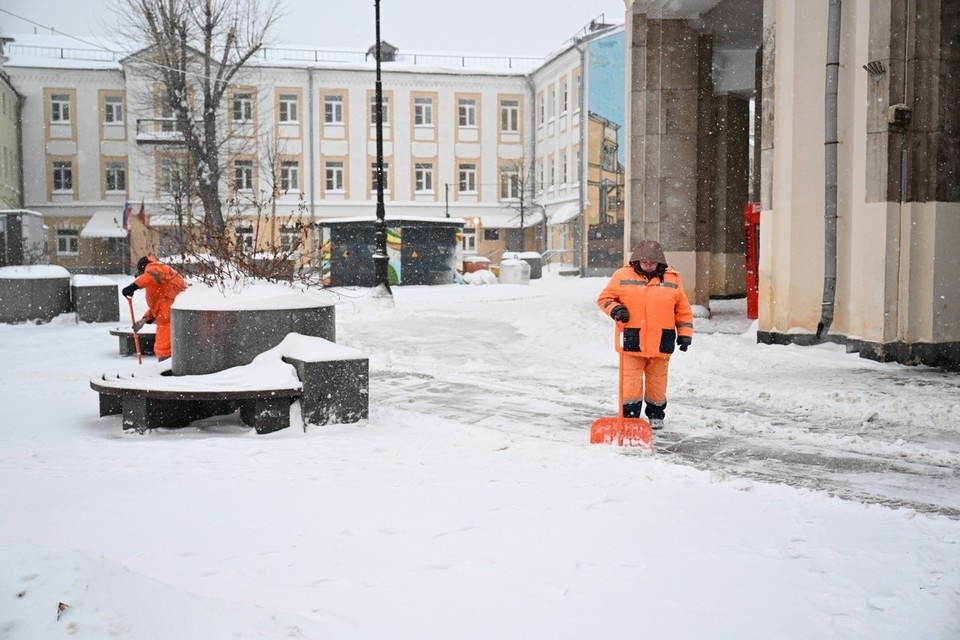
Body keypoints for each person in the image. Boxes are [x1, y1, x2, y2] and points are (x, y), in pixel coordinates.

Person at [596, 240, 694, 430]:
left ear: (660, 262)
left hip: (661, 340)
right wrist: (616, 309)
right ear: (637, 260)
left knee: (657, 381)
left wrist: (685, 333)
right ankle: (630, 415)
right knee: (630, 380)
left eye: (653, 262)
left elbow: (682, 309)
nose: (649, 265)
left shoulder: (672, 279)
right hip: (633, 339)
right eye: (645, 262)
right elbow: (604, 298)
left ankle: (656, 414)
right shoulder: (622, 275)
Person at [121, 256, 187, 361]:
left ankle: (167, 371)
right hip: (171, 315)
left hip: (168, 319)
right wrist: (145, 319)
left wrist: (134, 286)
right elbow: (159, 305)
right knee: (167, 348)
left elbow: (151, 275)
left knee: (164, 350)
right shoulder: (164, 277)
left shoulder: (154, 267)